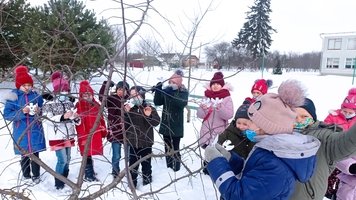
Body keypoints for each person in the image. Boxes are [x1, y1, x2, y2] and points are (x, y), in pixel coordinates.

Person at [204, 80, 320, 200]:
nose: (248, 125)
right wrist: (231, 160)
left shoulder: (276, 168)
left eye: (251, 120)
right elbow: (255, 173)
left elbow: (238, 196)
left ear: (264, 126)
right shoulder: (272, 151)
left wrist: (216, 162)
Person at [290, 97, 356, 200]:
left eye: (304, 116)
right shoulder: (280, 134)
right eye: (294, 116)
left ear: (313, 117)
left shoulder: (324, 137)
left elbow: (346, 143)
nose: (299, 120)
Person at [3, 65, 46, 184]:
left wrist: (39, 111)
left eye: (29, 85)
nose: (27, 88)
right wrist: (21, 112)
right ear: (19, 85)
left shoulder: (36, 96)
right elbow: (7, 115)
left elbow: (43, 110)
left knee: (35, 154)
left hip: (35, 129)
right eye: (24, 85)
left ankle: (36, 175)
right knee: (25, 154)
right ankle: (26, 175)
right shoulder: (13, 97)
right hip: (21, 131)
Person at [42, 71, 79, 189]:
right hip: (57, 136)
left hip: (69, 134)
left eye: (66, 90)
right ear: (56, 91)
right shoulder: (49, 103)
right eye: (62, 90)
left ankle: (65, 176)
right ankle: (59, 182)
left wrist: (76, 118)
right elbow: (48, 119)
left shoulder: (69, 103)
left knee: (68, 159)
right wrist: (63, 117)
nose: (64, 93)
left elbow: (74, 118)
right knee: (62, 160)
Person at [124, 86, 160, 187]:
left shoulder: (148, 107)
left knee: (146, 164)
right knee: (132, 165)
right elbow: (124, 124)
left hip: (146, 142)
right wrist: (126, 113)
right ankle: (132, 183)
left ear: (142, 95)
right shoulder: (129, 108)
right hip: (133, 141)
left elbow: (156, 122)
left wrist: (148, 116)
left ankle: (147, 182)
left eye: (136, 95)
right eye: (131, 95)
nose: (134, 98)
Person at [153, 69, 189, 172]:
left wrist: (170, 93)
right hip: (166, 123)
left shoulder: (183, 92)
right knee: (167, 147)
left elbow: (181, 103)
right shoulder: (167, 90)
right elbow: (157, 102)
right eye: (170, 82)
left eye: (174, 83)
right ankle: (168, 166)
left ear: (178, 83)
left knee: (175, 147)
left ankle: (177, 168)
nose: (171, 84)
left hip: (176, 125)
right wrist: (158, 89)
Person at [323, 88, 356, 199]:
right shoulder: (334, 116)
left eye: (350, 112)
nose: (346, 114)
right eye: (344, 111)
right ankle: (330, 192)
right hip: (336, 151)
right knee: (332, 176)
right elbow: (325, 130)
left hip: (350, 155)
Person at [75, 80, 107, 182]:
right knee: (86, 153)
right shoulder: (78, 105)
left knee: (90, 152)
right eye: (84, 95)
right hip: (84, 133)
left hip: (94, 132)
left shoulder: (96, 104)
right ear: (81, 95)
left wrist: (103, 129)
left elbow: (101, 118)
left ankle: (90, 171)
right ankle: (88, 175)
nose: (87, 97)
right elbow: (76, 120)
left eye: (89, 94)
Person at [99, 80, 130, 178]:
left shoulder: (129, 101)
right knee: (116, 155)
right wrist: (105, 86)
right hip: (115, 132)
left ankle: (129, 171)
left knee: (129, 155)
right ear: (117, 90)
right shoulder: (112, 99)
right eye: (120, 89)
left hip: (127, 132)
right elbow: (102, 98)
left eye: (124, 90)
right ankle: (115, 172)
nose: (121, 91)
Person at [197, 71, 234, 148]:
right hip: (206, 131)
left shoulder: (227, 98)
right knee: (207, 155)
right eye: (213, 84)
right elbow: (199, 115)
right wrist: (204, 109)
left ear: (222, 86)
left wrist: (220, 108)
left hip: (220, 132)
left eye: (218, 84)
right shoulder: (206, 97)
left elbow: (229, 115)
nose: (215, 86)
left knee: (216, 154)